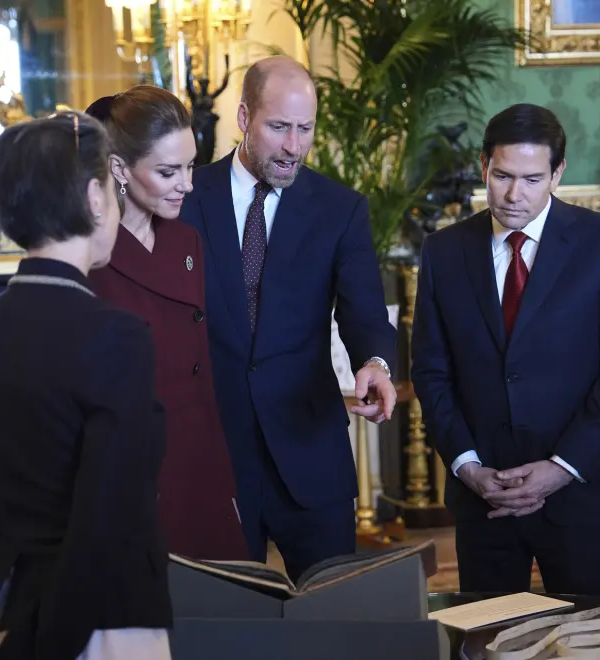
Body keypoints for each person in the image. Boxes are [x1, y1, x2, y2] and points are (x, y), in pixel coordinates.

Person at [0, 111, 172, 660]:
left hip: (8, 613)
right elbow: (108, 518)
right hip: (104, 623)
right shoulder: (116, 335)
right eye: (114, 195)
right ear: (94, 197)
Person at [410, 103, 600, 596]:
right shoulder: (444, 251)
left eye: (532, 179)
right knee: (487, 640)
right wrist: (466, 465)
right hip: (484, 493)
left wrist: (560, 468)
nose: (514, 195)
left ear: (557, 173)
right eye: (501, 176)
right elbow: (431, 372)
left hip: (577, 492)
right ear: (484, 166)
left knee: (589, 639)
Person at [178, 55, 398, 583]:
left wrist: (375, 361)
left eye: (305, 129)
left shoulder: (340, 209)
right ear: (244, 118)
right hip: (212, 452)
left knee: (332, 619)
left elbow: (363, 307)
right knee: (225, 623)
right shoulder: (185, 196)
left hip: (308, 449)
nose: (293, 146)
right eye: (279, 127)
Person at [85, 86, 249, 561]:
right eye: (167, 171)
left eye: (190, 167)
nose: (187, 185)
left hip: (200, 462)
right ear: (118, 168)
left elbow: (202, 375)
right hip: (131, 474)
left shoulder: (186, 242)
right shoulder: (85, 253)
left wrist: (225, 484)